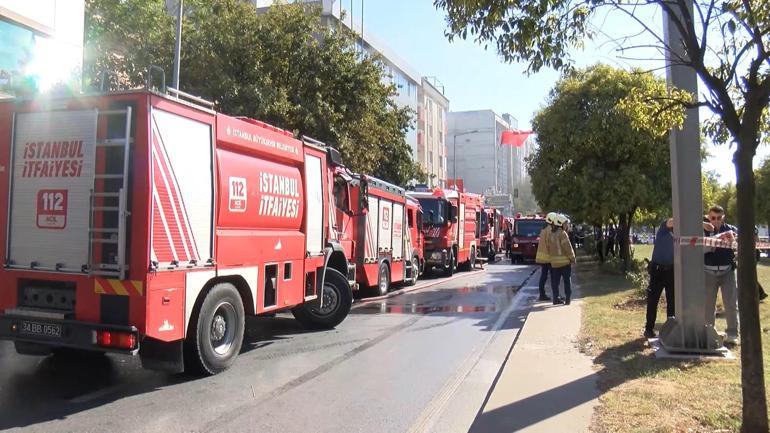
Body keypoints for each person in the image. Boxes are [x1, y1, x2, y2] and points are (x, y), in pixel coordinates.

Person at [643, 217, 714, 338]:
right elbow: (673, 221)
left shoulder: (683, 238)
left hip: (672, 271)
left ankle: (670, 331)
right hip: (657, 270)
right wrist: (699, 222)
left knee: (673, 303)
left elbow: (709, 230)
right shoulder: (664, 228)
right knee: (652, 301)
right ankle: (649, 329)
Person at [703, 205, 740, 344]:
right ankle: (709, 332)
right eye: (713, 218)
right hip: (708, 272)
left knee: (730, 304)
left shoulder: (731, 230)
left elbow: (739, 246)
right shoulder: (703, 231)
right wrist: (710, 245)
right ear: (708, 217)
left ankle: (732, 333)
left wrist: (734, 242)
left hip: (727, 272)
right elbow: (697, 250)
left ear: (723, 217)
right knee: (708, 305)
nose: (716, 221)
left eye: (719, 218)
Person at [547, 214, 576, 305]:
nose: (566, 226)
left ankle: (555, 299)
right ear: (560, 223)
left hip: (554, 264)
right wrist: (572, 258)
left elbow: (549, 248)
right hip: (564, 263)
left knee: (555, 283)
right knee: (567, 282)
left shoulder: (551, 234)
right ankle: (567, 300)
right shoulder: (563, 234)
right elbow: (568, 248)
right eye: (565, 224)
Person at [534, 212, 557, 302]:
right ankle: (555, 295)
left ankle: (542, 294)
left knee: (543, 277)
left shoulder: (544, 229)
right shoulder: (550, 230)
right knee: (553, 277)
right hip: (548, 257)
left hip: (542, 257)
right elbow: (550, 244)